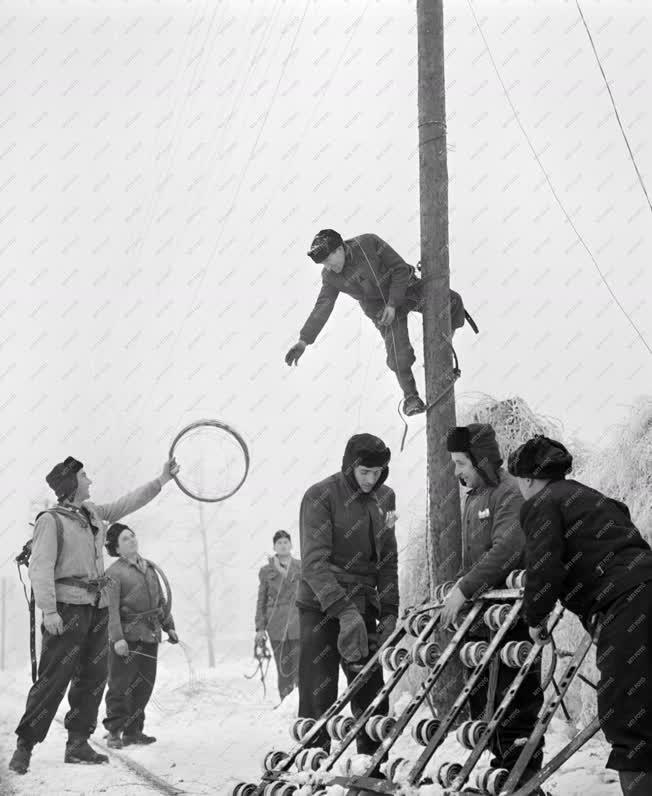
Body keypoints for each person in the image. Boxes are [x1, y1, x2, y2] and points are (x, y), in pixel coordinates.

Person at [9, 455, 179, 775]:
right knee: (53, 679)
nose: (90, 481)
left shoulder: (93, 515)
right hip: (66, 609)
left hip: (97, 607)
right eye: (85, 476)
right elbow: (40, 567)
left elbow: (129, 502)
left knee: (93, 676)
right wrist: (49, 611)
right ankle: (25, 746)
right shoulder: (51, 520)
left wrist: (162, 480)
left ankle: (77, 744)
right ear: (72, 484)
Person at [508, 435, 652, 796]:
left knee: (627, 713)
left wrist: (535, 618)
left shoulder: (541, 503)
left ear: (526, 479)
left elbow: (544, 565)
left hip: (627, 603)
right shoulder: (590, 497)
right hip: (644, 585)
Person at [442, 424, 544, 791]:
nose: (456, 472)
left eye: (460, 463)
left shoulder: (509, 492)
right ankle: (502, 779)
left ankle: (525, 783)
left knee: (516, 704)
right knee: (486, 709)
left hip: (513, 618)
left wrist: (464, 589)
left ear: (481, 461)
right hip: (485, 621)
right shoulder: (474, 496)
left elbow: (507, 550)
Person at [284, 230, 474, 417]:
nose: (327, 266)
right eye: (323, 263)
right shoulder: (330, 277)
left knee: (452, 301)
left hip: (405, 288)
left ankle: (443, 355)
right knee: (398, 354)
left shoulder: (368, 243)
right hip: (379, 310)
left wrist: (393, 302)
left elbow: (399, 268)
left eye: (328, 260)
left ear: (339, 249)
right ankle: (411, 397)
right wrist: (303, 341)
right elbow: (322, 307)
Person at [297, 433, 398, 768]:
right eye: (365, 472)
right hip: (321, 605)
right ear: (351, 466)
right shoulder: (320, 496)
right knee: (319, 691)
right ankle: (314, 766)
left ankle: (371, 767)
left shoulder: (385, 497)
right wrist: (343, 611)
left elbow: (387, 561)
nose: (371, 480)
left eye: (378, 472)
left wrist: (390, 611)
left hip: (363, 602)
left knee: (370, 687)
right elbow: (314, 563)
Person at [103, 523, 178, 749]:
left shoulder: (150, 569)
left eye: (133, 536)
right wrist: (117, 639)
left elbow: (160, 602)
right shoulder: (113, 573)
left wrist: (169, 626)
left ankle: (134, 731)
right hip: (126, 637)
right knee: (120, 685)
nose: (132, 540)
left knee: (144, 685)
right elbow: (110, 609)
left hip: (150, 634)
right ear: (116, 547)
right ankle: (115, 731)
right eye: (125, 539)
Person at [254, 530, 301, 701]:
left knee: (300, 667)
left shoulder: (301, 567)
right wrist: (260, 628)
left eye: (285, 542)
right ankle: (285, 703)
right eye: (279, 543)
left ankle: (300, 705)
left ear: (291, 545)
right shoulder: (266, 571)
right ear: (274, 546)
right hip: (277, 626)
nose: (283, 545)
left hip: (298, 624)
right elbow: (261, 600)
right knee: (283, 668)